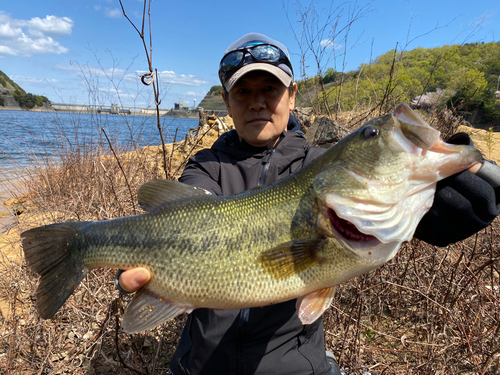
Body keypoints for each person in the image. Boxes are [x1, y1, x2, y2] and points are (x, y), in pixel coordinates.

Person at [117, 33, 500, 374]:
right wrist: (148, 249)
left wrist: (459, 191)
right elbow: (193, 206)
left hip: (297, 366)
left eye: (270, 89)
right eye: (243, 92)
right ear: (226, 102)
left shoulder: (320, 164)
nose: (258, 103)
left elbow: (406, 212)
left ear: (293, 95)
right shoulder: (206, 165)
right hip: (201, 365)